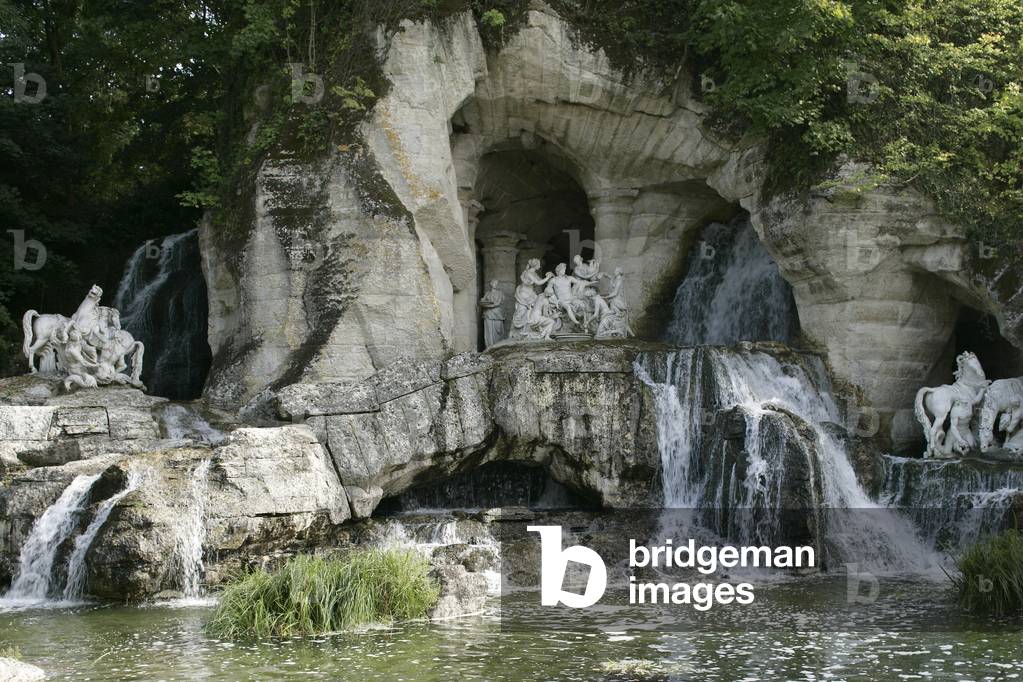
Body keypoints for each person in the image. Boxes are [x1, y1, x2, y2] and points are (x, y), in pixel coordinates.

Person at [479, 280, 505, 348]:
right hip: (488, 313)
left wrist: (490, 305)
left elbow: (498, 302)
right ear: (491, 284)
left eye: (496, 283)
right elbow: (482, 300)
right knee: (488, 330)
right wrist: (483, 302)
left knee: (498, 329)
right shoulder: (488, 293)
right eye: (493, 283)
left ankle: (498, 346)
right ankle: (489, 346)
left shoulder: (500, 293)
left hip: (497, 313)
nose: (494, 284)